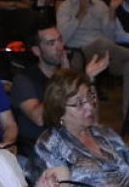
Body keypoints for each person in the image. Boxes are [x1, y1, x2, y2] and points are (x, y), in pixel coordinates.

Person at [56, 0, 129, 121]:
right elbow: (63, 38)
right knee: (102, 43)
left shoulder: (100, 5)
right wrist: (81, 11)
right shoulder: (65, 7)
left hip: (104, 52)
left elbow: (111, 37)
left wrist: (112, 10)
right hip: (80, 51)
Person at [11, 22, 108, 155]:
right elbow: (39, 118)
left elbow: (94, 119)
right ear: (36, 51)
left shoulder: (70, 75)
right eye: (51, 43)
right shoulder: (23, 80)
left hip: (72, 146)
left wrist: (90, 80)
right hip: (39, 152)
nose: (60, 47)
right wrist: (63, 81)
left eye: (60, 40)